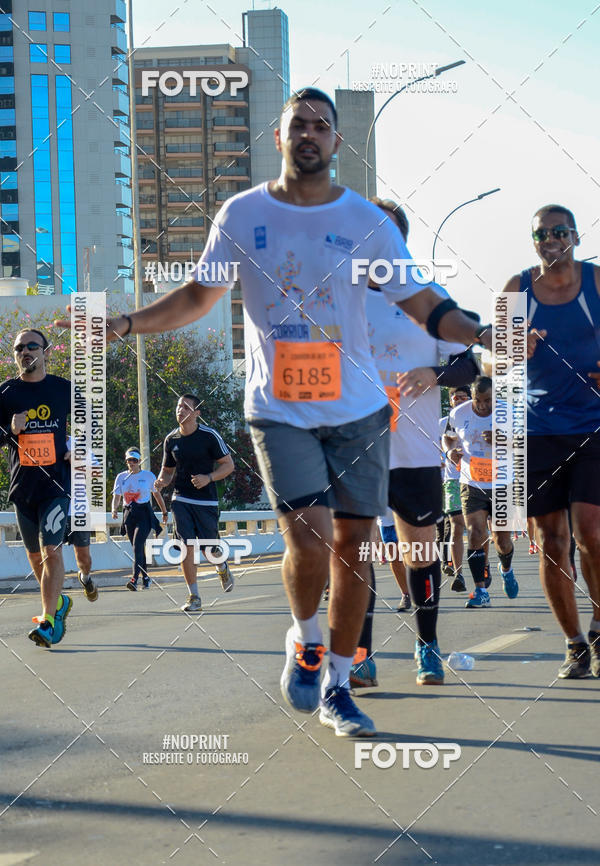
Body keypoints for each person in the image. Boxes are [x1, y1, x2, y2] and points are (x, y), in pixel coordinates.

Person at [58, 87, 492, 736]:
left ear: (336, 141)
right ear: (280, 136)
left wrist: (481, 336)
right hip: (281, 408)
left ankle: (341, 684)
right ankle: (307, 637)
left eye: (322, 125)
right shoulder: (243, 214)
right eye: (299, 125)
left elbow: (428, 306)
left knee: (355, 546)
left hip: (363, 415)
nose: (310, 134)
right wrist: (124, 324)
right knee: (312, 538)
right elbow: (198, 296)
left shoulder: (364, 225)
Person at [354, 198, 479, 686]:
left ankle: (427, 648)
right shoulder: (335, 299)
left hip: (415, 454)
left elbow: (473, 363)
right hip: (354, 453)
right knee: (358, 555)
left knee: (419, 554)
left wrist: (436, 372)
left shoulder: (429, 299)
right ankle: (360, 656)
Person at [504, 204, 600, 678]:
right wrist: (512, 350)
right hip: (538, 430)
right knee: (551, 540)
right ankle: (575, 643)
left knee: (592, 534)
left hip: (593, 426)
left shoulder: (596, 283)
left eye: (559, 232)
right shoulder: (516, 289)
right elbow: (494, 364)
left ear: (576, 236)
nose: (550, 240)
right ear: (534, 241)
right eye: (541, 234)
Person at [0, 329, 72, 647]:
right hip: (22, 487)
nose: (26, 351)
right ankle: (58, 603)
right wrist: (9, 430)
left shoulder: (63, 389)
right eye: (20, 348)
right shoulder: (6, 393)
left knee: (51, 552)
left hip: (56, 486)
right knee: (36, 558)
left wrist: (79, 447)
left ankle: (48, 622)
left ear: (46, 352)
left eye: (32, 346)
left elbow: (92, 423)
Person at [154, 394, 235, 611]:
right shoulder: (171, 440)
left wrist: (208, 478)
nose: (180, 410)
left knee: (210, 549)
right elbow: (167, 472)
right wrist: (162, 482)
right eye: (178, 406)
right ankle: (194, 596)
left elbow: (228, 465)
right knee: (185, 546)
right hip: (181, 498)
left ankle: (221, 565)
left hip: (206, 501)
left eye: (186, 407)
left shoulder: (209, 436)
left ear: (196, 413)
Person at [443, 376, 518, 608]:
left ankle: (506, 569)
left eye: (488, 401)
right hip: (471, 483)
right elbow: (448, 437)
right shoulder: (459, 413)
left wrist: (502, 440)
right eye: (478, 400)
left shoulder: (510, 412)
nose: (483, 406)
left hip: (502, 484)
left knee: (502, 540)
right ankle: (480, 590)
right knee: (475, 533)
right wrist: (450, 452)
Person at [112, 448, 167, 590]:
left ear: (139, 461)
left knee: (137, 545)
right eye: (129, 460)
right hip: (129, 515)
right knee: (137, 549)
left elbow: (157, 495)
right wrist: (114, 509)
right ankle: (146, 578)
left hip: (144, 514)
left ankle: (134, 579)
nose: (132, 463)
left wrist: (164, 511)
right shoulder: (121, 477)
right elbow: (117, 496)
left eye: (134, 460)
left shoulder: (148, 476)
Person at [439, 386, 471, 592]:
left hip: (478, 480)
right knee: (452, 526)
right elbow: (434, 445)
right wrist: (447, 454)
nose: (458, 400)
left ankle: (486, 566)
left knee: (481, 529)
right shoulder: (443, 423)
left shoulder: (478, 416)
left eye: (462, 397)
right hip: (451, 479)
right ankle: (456, 570)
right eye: (454, 397)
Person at [64, 437, 98, 602]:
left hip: (78, 509)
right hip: (50, 507)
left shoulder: (80, 445)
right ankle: (53, 604)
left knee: (83, 559)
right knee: (48, 555)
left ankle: (85, 577)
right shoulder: (42, 440)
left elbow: (96, 472)